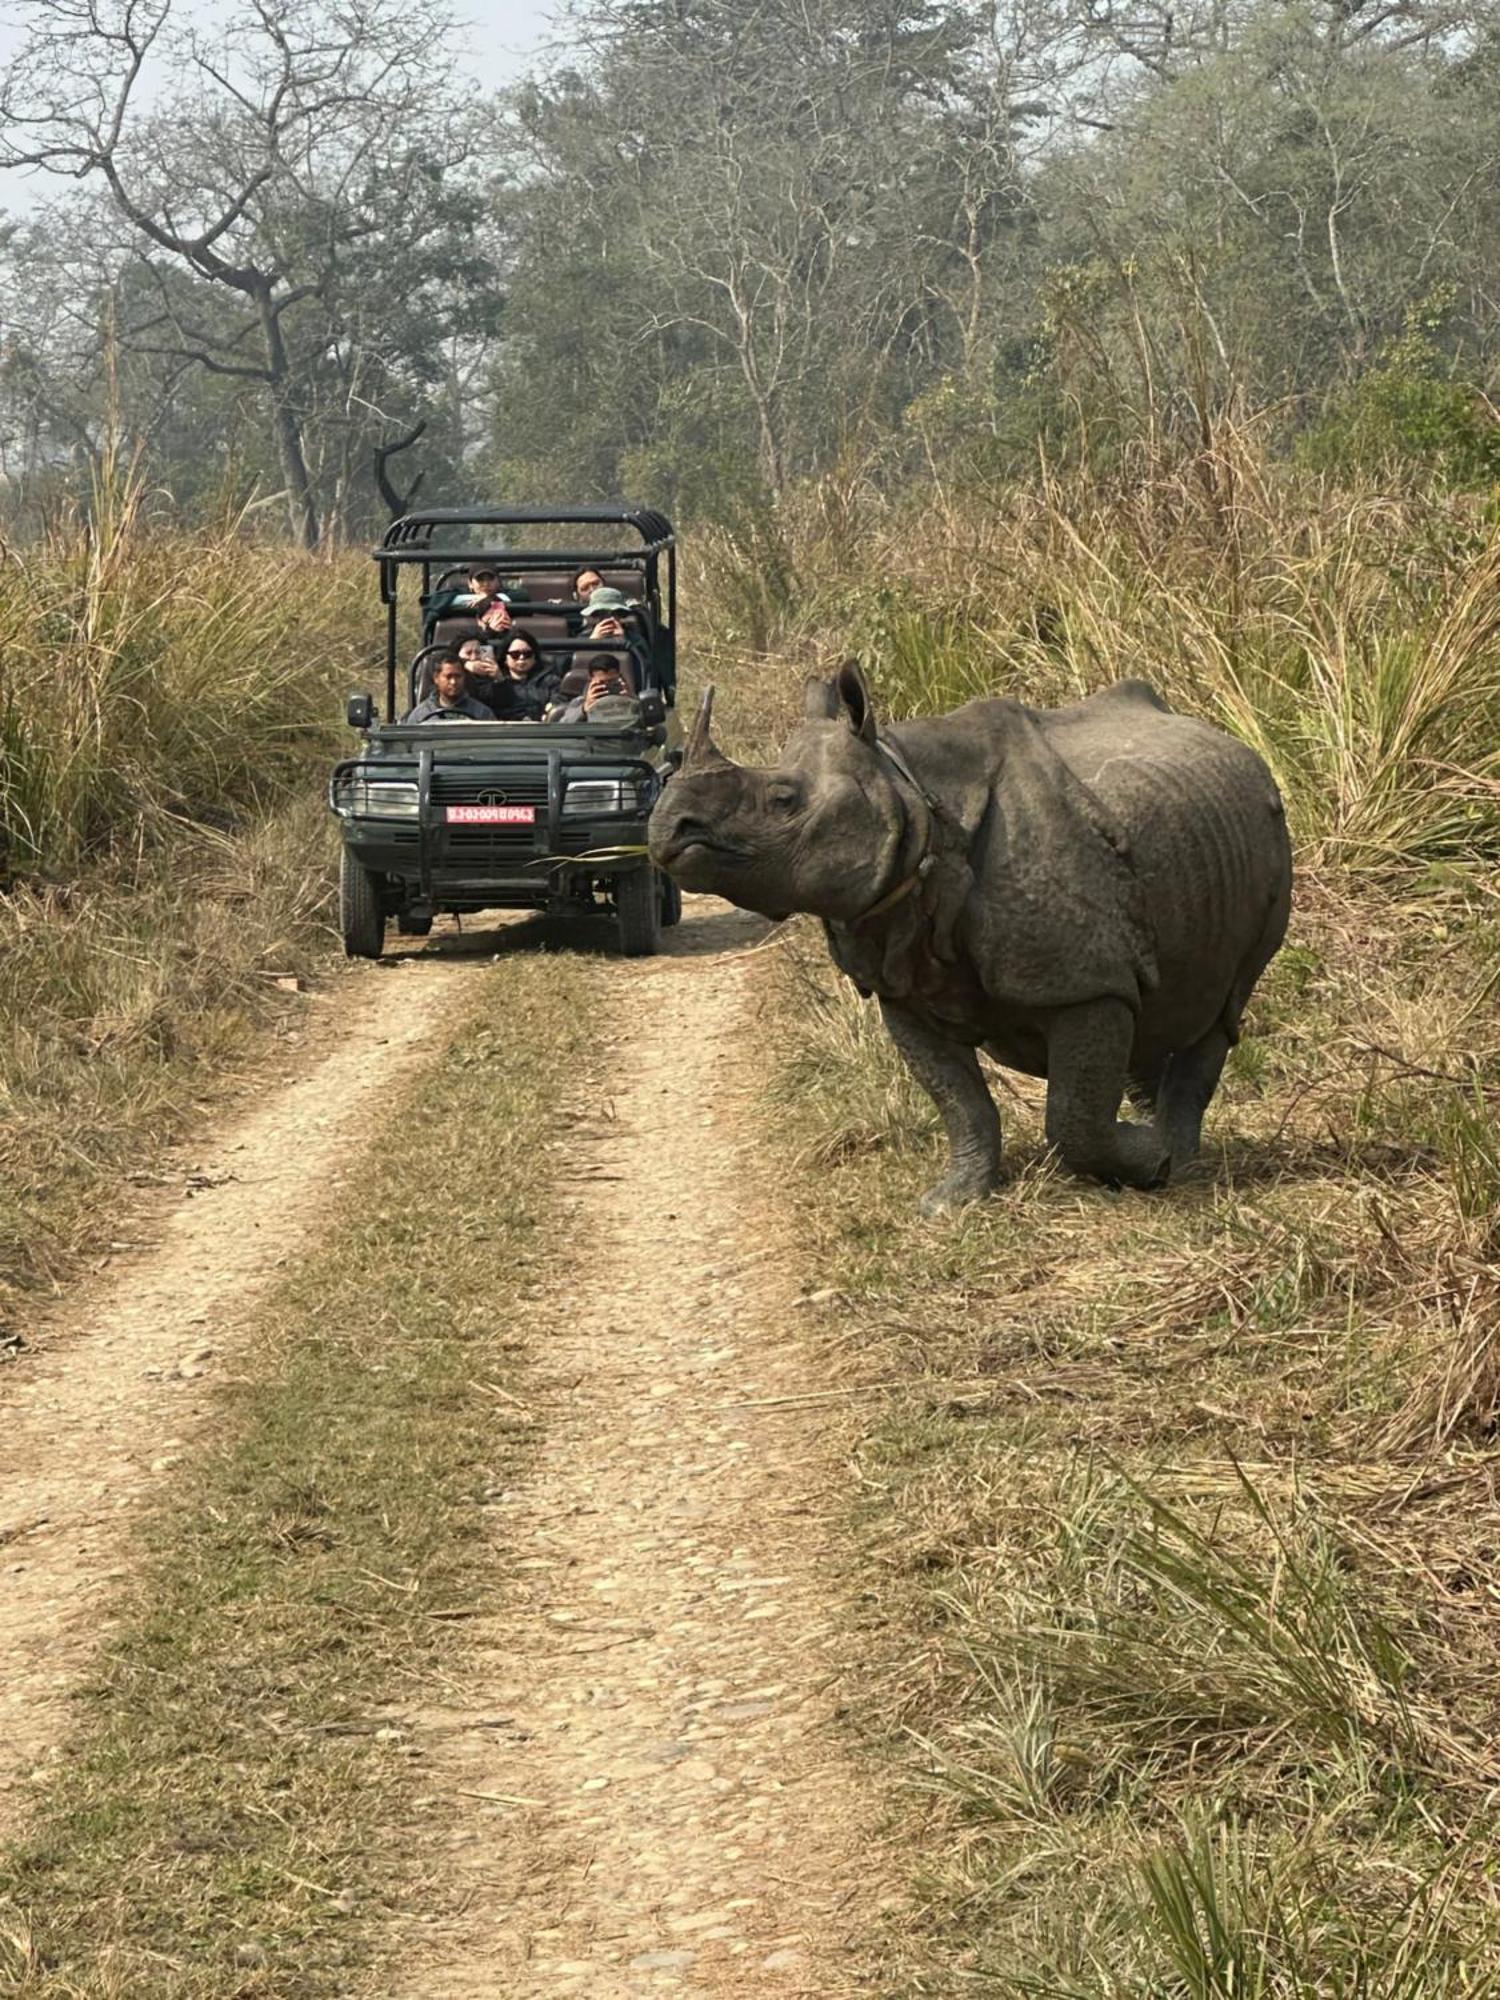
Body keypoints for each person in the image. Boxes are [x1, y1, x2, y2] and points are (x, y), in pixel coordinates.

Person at [489, 630, 564, 721]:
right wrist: (500, 682)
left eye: (527, 654)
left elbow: (558, 703)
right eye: (515, 654)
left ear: (535, 657)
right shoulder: (495, 682)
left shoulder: (550, 681)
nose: (521, 658)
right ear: (505, 658)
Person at [402, 652, 492, 723]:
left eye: (458, 676)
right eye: (448, 677)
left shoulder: (482, 714)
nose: (453, 682)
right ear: (436, 678)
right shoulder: (420, 715)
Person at [548, 658, 632, 723]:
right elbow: (563, 727)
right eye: (602, 682)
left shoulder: (631, 699)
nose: (607, 686)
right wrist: (584, 709)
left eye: (612, 681)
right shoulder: (579, 703)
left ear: (619, 677)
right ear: (591, 679)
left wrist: (631, 701)